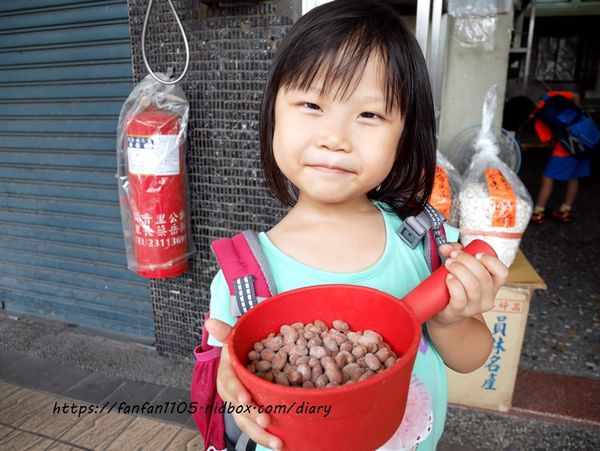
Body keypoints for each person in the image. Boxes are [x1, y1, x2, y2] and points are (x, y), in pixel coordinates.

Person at [204, 1, 508, 450]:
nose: (335, 137)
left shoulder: (428, 244)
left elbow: (471, 358)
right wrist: (229, 387)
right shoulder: (241, 276)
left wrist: (450, 320)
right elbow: (225, 375)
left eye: (369, 114)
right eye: (311, 104)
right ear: (272, 117)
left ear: (404, 136)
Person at [529, 91, 593, 224]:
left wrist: (529, 145)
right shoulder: (551, 95)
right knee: (574, 177)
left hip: (565, 150)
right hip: (586, 141)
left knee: (548, 178)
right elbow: (576, 95)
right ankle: (565, 210)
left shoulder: (540, 119)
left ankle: (538, 211)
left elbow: (547, 140)